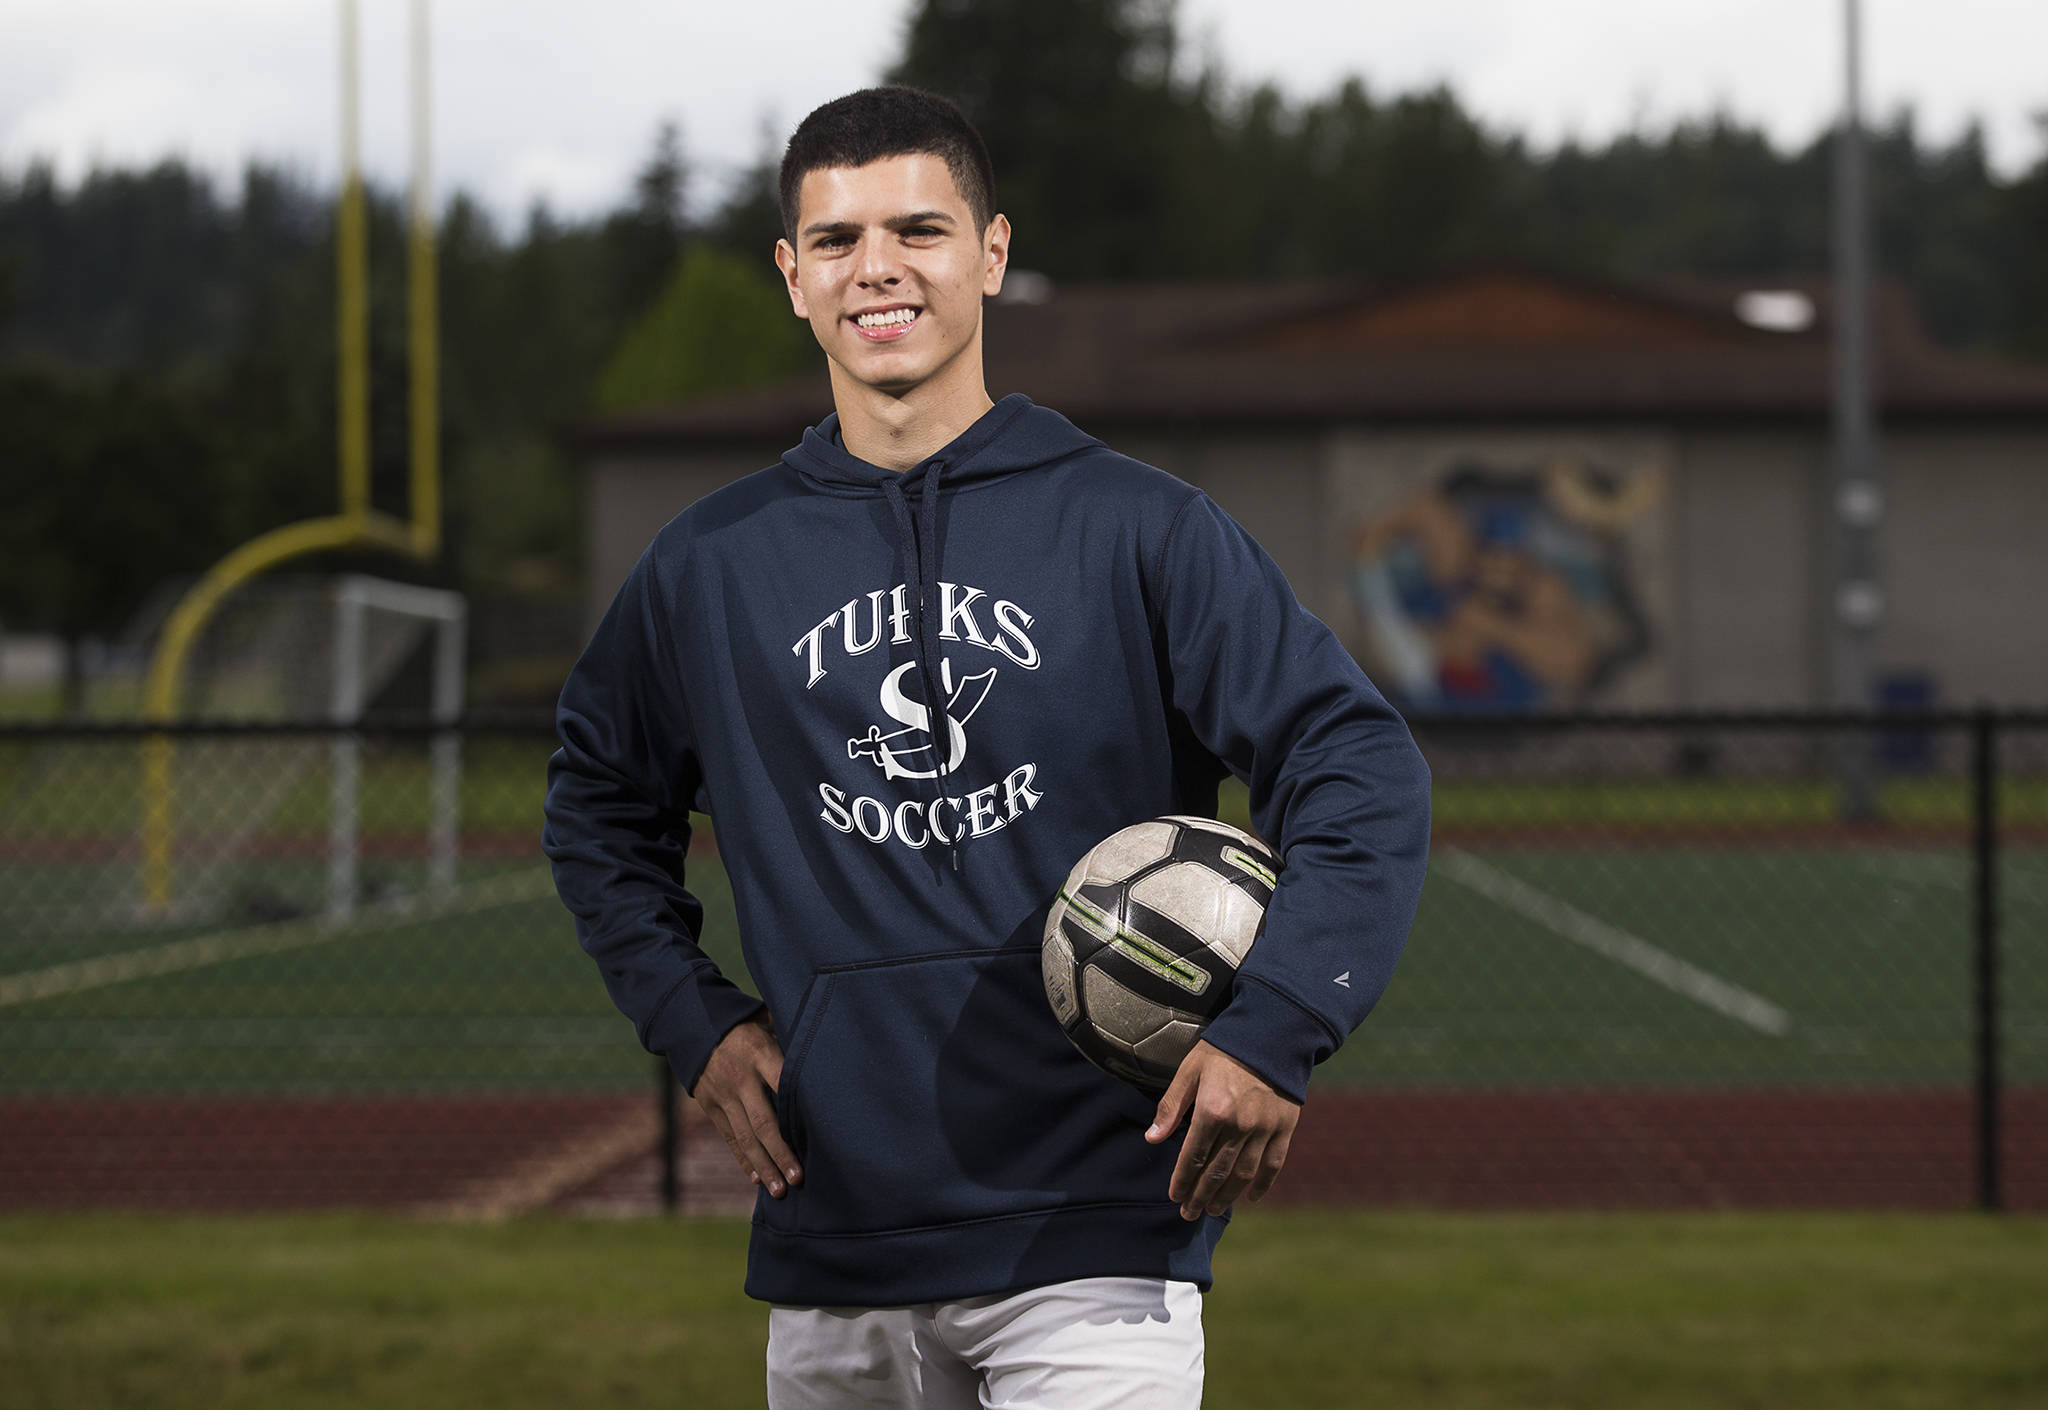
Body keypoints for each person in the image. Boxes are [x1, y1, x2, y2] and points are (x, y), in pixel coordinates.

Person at [543, 86, 1431, 1409]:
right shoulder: (711, 567)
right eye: (837, 241)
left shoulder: (1141, 530)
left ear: (993, 253)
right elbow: (598, 808)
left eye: (919, 228)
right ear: (791, 278)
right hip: (833, 1238)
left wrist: (1276, 1025)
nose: (878, 268)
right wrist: (695, 1020)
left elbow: (1355, 758)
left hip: (1092, 1249)